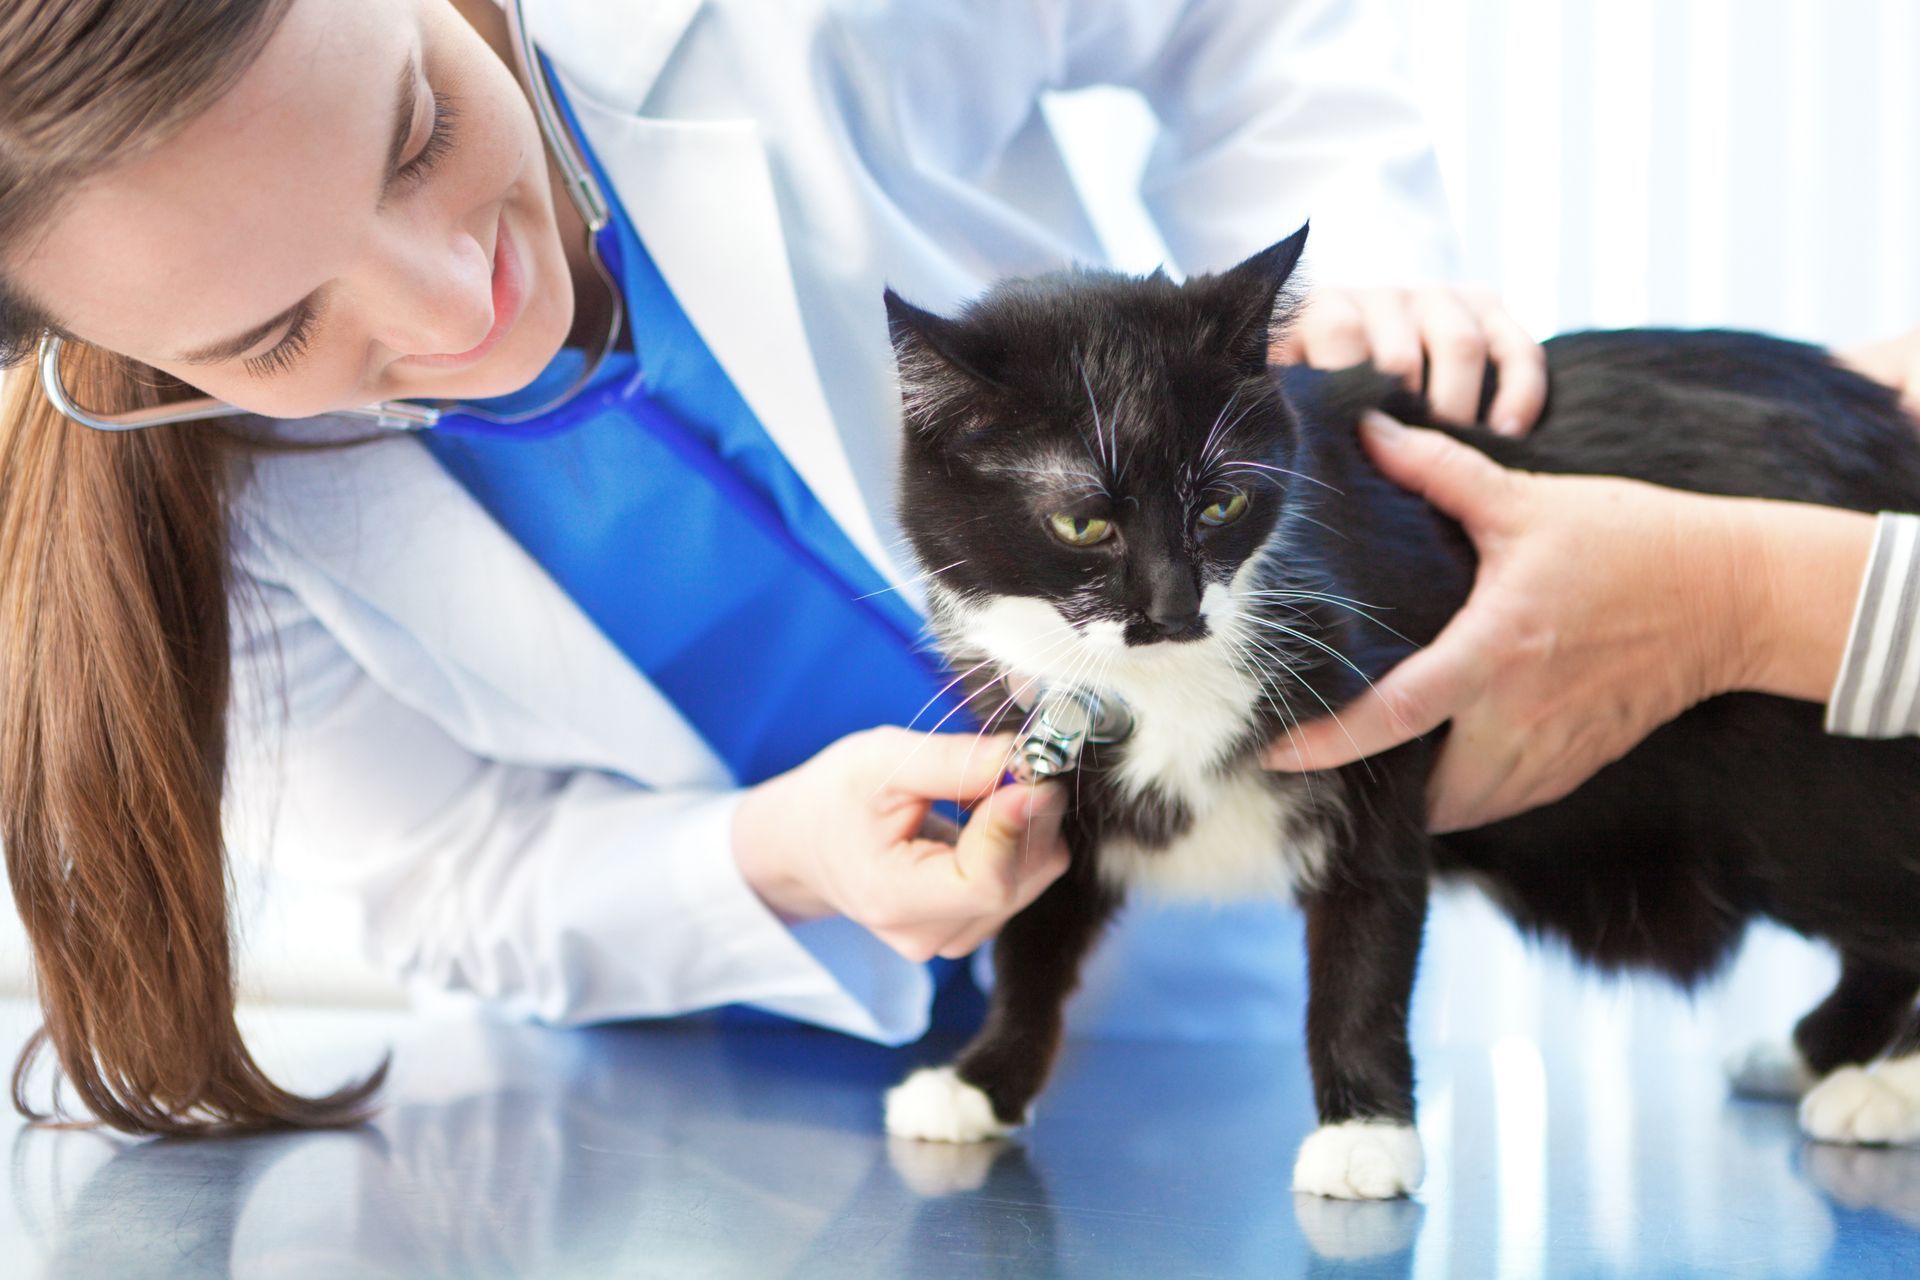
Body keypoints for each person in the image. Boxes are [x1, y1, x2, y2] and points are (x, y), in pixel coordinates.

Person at [0, 0, 1543, 1134]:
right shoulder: (206, 512)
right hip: (711, 1119)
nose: (459, 303)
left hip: (1194, 1017)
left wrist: (1345, 288)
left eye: (419, 131)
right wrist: (772, 862)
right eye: (272, 332)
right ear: (108, 353)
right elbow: (449, 864)